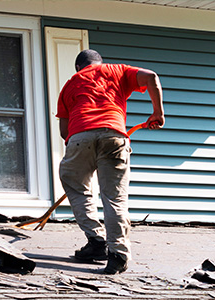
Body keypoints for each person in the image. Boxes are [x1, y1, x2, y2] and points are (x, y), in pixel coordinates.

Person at [56, 49, 164, 274]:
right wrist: (157, 113)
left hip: (79, 137)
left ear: (79, 67)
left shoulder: (70, 84)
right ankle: (117, 255)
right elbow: (151, 77)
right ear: (99, 62)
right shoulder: (118, 70)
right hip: (114, 135)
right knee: (114, 197)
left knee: (76, 185)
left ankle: (96, 241)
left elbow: (64, 131)